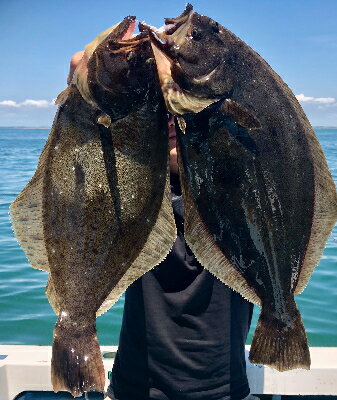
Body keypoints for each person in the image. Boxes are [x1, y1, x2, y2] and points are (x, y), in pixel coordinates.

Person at [68, 53, 258, 400]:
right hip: (135, 387)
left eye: (182, 107)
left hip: (223, 389)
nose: (170, 116)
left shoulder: (237, 194)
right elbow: (80, 62)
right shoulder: (130, 193)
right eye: (161, 107)